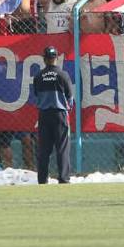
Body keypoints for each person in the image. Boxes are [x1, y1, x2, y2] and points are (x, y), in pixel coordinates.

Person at [32, 45, 73, 184]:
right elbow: (70, 98)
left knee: (44, 149)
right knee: (62, 148)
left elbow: (36, 94)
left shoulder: (38, 76)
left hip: (44, 114)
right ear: (56, 58)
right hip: (59, 114)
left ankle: (42, 180)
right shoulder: (63, 75)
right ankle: (63, 178)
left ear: (44, 59)